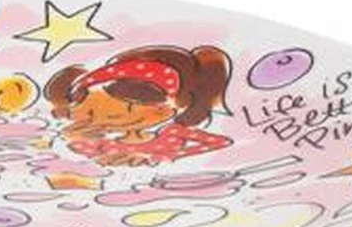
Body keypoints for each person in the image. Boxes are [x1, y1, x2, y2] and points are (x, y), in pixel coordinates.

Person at [44, 45, 235, 167]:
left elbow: (221, 142)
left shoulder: (172, 133)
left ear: (162, 108)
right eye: (91, 112)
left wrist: (161, 157)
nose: (109, 118)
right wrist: (70, 138)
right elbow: (79, 157)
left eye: (128, 108)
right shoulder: (103, 143)